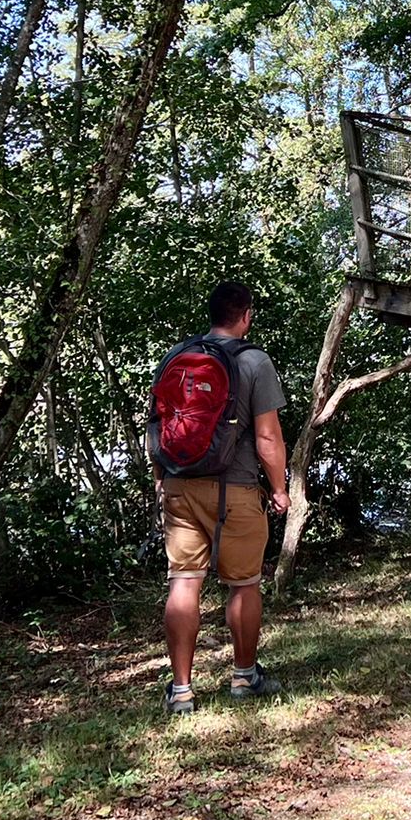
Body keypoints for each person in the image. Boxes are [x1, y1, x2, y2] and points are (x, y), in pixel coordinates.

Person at [152, 280, 289, 716]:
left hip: (179, 485)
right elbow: (267, 437)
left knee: (183, 581)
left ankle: (181, 691)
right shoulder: (254, 361)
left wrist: (161, 478)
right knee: (244, 583)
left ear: (211, 314)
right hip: (237, 490)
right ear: (246, 316)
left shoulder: (176, 356)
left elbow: (158, 423)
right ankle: (244, 676)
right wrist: (280, 489)